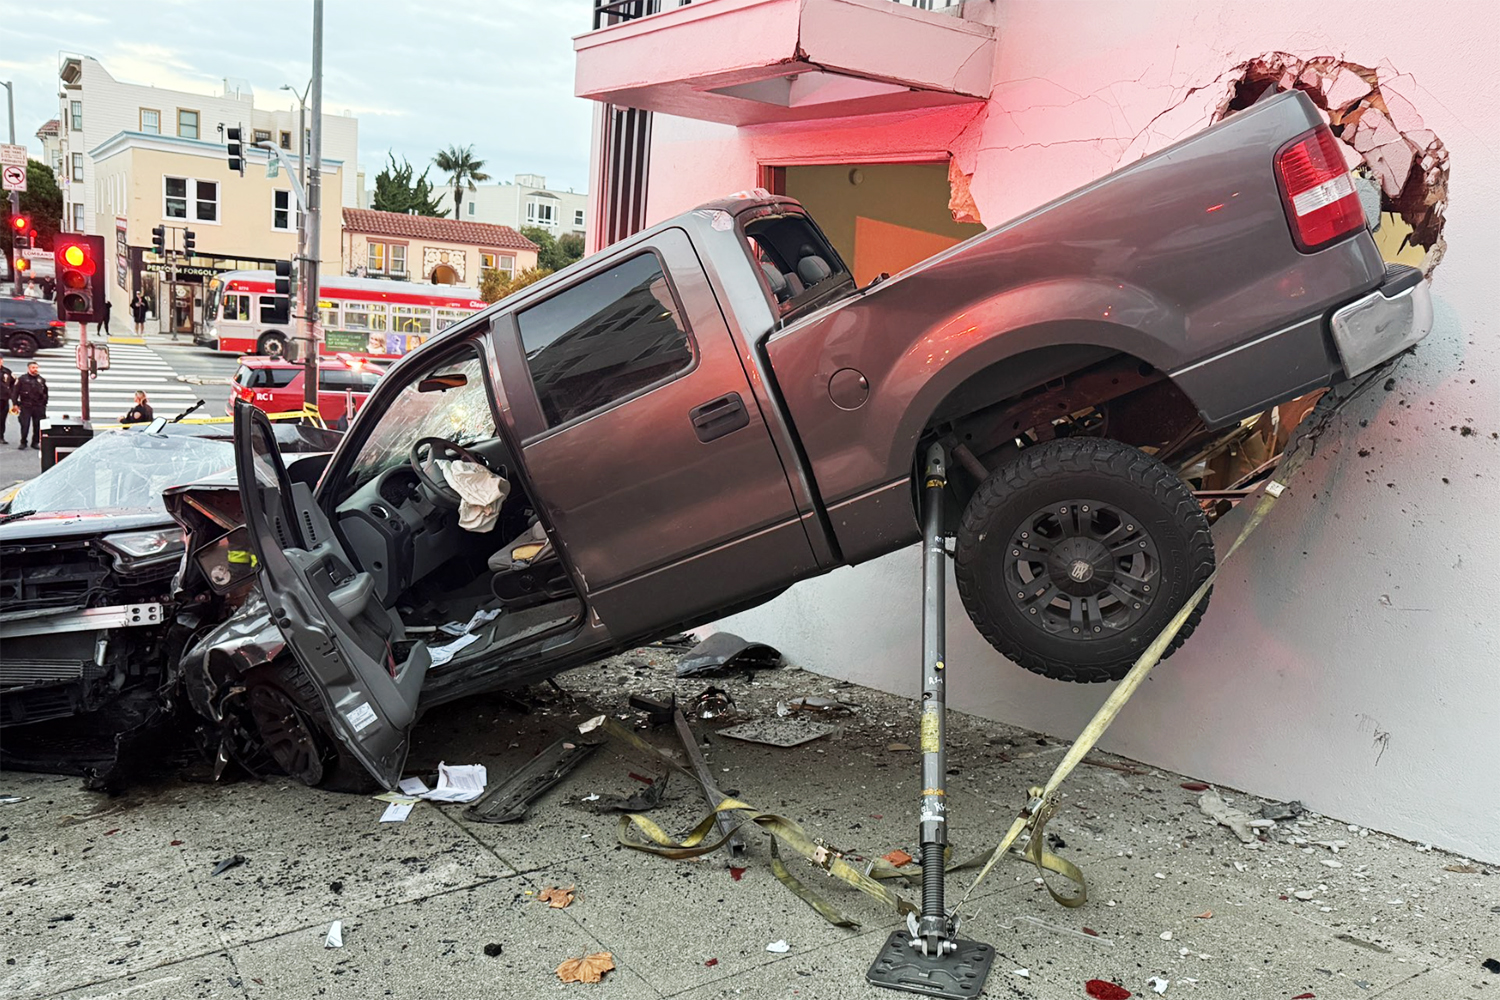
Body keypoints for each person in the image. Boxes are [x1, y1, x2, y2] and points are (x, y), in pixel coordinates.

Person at [14, 361, 48, 451]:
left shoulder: (41, 379)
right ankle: (23, 442)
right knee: (25, 425)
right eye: (33, 368)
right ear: (29, 369)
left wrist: (44, 405)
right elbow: (15, 392)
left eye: (36, 368)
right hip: (26, 405)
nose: (35, 369)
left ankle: (35, 442)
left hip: (38, 406)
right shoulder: (22, 379)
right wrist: (15, 404)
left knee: (37, 425)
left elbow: (45, 393)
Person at [0, 358, 14, 444]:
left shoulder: (7, 371)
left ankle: (1, 436)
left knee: (2, 419)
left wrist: (10, 392)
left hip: (4, 399)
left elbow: (13, 382)